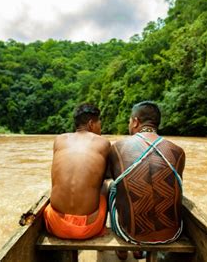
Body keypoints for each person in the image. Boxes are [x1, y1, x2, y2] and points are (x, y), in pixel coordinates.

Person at [107, 101, 185, 259]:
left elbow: (113, 179)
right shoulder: (178, 152)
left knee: (112, 187)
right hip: (172, 235)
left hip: (132, 235)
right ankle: (139, 251)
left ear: (135, 121)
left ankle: (123, 250)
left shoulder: (118, 148)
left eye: (129, 121)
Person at [44, 103, 111, 239]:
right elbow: (106, 175)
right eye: (99, 123)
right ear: (91, 123)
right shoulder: (103, 143)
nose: (101, 127)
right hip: (89, 228)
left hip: (56, 225)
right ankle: (102, 229)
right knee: (105, 186)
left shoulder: (59, 140)